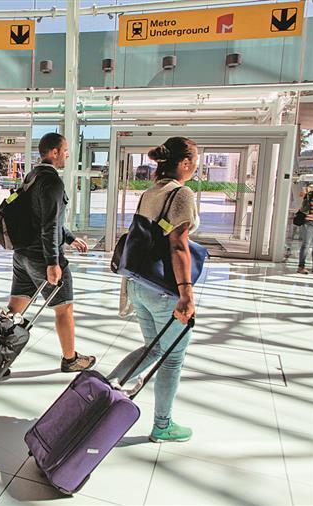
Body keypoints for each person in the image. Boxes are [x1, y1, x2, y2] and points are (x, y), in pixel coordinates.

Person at [107, 136, 200, 443]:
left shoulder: (150, 191)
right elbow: (178, 245)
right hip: (163, 290)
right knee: (171, 357)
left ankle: (105, 388)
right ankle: (163, 424)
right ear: (184, 163)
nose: (196, 167)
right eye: (194, 161)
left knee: (154, 348)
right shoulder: (181, 193)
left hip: (138, 285)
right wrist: (186, 294)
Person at [6, 132, 94, 373]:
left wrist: (70, 237)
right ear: (54, 152)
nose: (67, 155)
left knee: (15, 309)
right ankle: (70, 359)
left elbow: (43, 219)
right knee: (64, 308)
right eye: (65, 150)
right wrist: (53, 262)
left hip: (21, 255)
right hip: (41, 257)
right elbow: (48, 225)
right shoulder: (53, 181)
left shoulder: (32, 176)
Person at [297, 183, 313, 274]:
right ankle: (301, 267)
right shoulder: (310, 195)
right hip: (309, 222)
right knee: (306, 244)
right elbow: (303, 207)